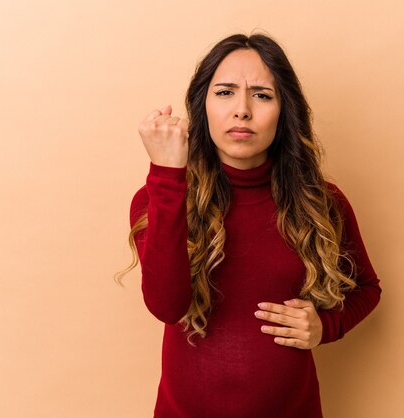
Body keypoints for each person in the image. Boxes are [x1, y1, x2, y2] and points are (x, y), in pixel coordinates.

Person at [115, 32, 382, 418]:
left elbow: (368, 289)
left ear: (283, 110)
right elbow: (168, 306)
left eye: (261, 94)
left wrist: (327, 326)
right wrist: (167, 173)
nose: (242, 110)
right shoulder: (159, 196)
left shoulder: (321, 200)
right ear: (202, 105)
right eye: (224, 92)